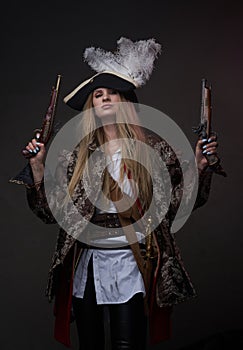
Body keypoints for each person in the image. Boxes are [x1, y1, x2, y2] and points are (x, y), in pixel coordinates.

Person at [20, 38, 219, 350]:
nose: (105, 98)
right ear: (92, 107)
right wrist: (37, 166)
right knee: (91, 344)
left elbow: (177, 204)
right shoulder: (74, 155)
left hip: (132, 262)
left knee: (129, 345)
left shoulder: (153, 150)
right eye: (98, 95)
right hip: (87, 262)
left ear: (125, 100)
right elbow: (50, 212)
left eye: (112, 92)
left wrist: (200, 165)